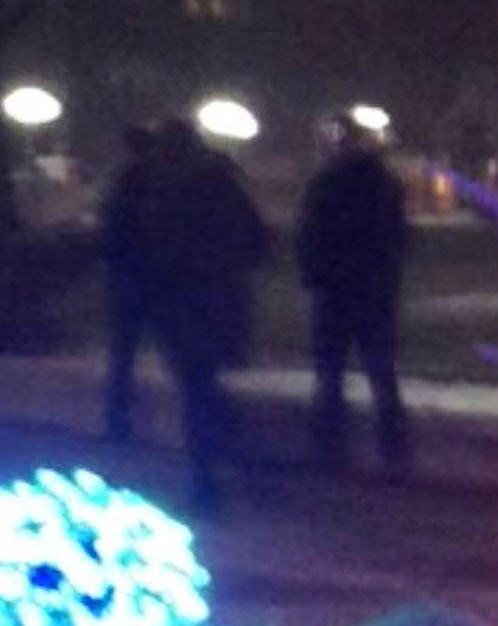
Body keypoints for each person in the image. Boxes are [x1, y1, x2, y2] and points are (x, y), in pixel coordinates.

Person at [138, 116, 272, 515]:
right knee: (202, 386)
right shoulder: (221, 187)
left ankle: (206, 479)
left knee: (195, 390)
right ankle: (221, 460)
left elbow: (160, 254)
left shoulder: (168, 193)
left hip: (183, 307)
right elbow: (257, 241)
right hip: (219, 302)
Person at [295, 123, 413, 474]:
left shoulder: (324, 186)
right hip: (375, 290)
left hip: (333, 291)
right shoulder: (385, 186)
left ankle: (329, 449)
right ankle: (393, 450)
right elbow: (399, 238)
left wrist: (313, 277)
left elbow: (309, 238)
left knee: (329, 375)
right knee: (382, 373)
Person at [96, 125, 160, 443]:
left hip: (128, 279)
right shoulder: (159, 184)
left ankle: (117, 421)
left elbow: (109, 234)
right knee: (174, 351)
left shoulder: (122, 185)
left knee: (122, 353)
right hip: (157, 278)